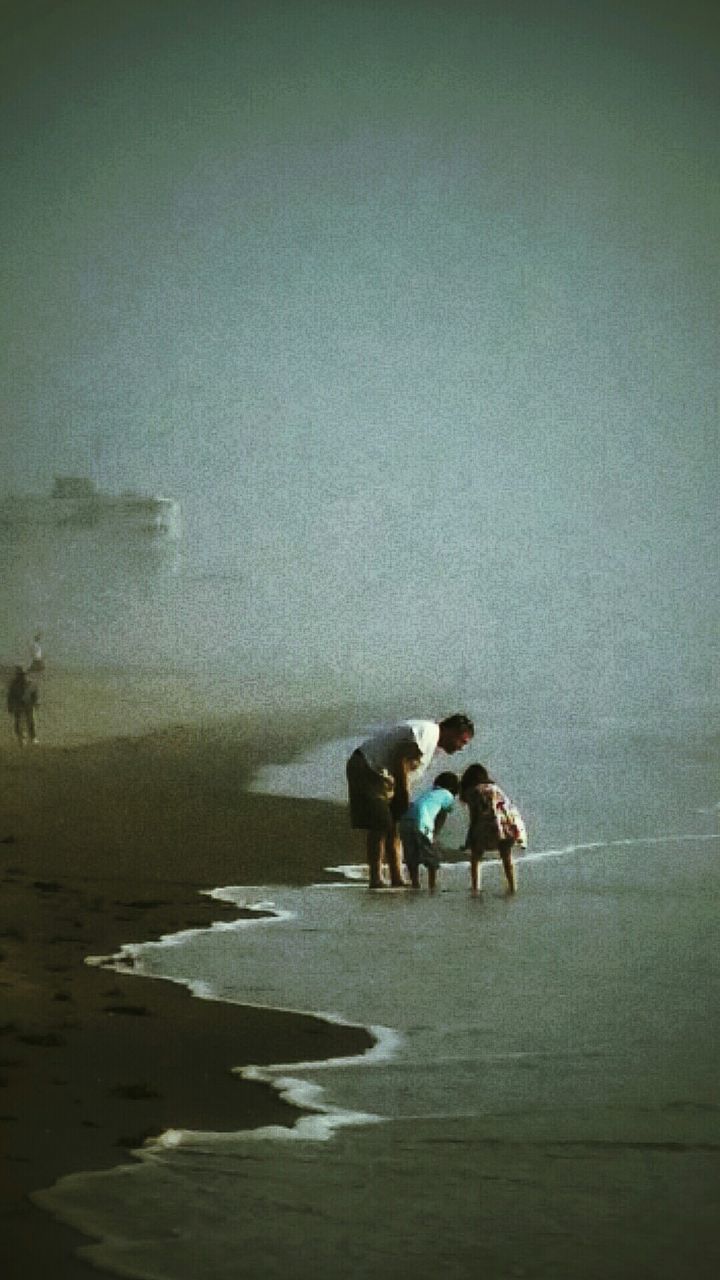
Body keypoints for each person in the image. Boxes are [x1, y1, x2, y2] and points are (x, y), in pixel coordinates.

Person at [346, 714, 474, 888]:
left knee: (394, 827)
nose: (460, 748)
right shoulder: (427, 733)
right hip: (369, 767)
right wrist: (403, 794)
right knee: (381, 823)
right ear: (452, 732)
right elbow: (401, 760)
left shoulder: (432, 742)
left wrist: (402, 794)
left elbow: (407, 768)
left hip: (385, 775)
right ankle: (376, 878)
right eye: (462, 742)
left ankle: (396, 876)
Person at [459, 763, 527, 894]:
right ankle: (512, 886)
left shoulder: (474, 791)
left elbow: (474, 816)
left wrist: (470, 838)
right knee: (506, 856)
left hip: (488, 825)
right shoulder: (495, 788)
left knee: (476, 856)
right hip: (509, 825)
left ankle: (475, 887)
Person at [398, 771, 460, 891]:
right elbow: (442, 816)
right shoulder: (448, 795)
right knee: (431, 855)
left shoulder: (427, 792)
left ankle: (415, 883)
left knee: (411, 855)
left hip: (405, 821)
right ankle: (432, 884)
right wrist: (434, 834)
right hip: (422, 822)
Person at [6, 666, 39, 746]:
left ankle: (33, 737)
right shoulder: (14, 684)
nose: (22, 676)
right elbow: (10, 696)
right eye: (20, 675)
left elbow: (35, 694)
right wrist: (10, 706)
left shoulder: (31, 683)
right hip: (18, 705)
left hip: (29, 705)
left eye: (23, 674)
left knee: (31, 721)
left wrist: (36, 702)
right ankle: (21, 738)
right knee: (18, 723)